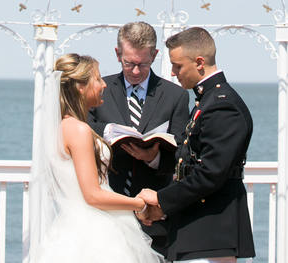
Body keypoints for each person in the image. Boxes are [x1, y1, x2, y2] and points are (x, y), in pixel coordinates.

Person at [138, 27, 255, 263]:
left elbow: (211, 173)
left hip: (213, 229)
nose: (172, 72)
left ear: (199, 62)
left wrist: (162, 201)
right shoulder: (209, 99)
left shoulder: (222, 105)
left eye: (177, 65)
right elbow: (190, 159)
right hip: (201, 224)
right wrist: (154, 157)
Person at [31, 52, 161, 263]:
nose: (104, 85)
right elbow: (92, 195)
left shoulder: (63, 127)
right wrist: (140, 204)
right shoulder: (79, 130)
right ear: (81, 87)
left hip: (74, 226)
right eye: (98, 79)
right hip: (93, 232)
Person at [88, 22, 190, 255]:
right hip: (106, 213)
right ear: (117, 54)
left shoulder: (176, 96)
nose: (135, 71)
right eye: (129, 63)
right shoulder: (98, 89)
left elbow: (181, 156)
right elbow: (82, 127)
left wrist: (153, 157)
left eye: (143, 64)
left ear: (154, 55)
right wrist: (109, 131)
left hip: (154, 218)